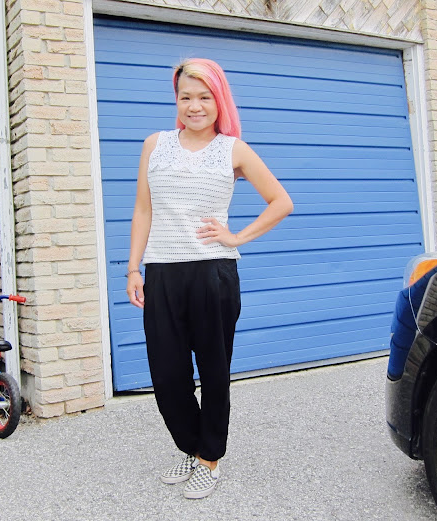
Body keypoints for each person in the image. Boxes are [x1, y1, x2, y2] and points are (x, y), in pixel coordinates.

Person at [126, 58, 293, 499]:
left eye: (204, 96)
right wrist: (133, 268)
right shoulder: (154, 145)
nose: (195, 106)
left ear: (219, 100)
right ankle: (191, 445)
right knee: (168, 374)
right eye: (186, 97)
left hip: (212, 273)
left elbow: (281, 201)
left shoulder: (233, 149)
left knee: (214, 372)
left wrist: (236, 236)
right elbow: (143, 209)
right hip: (162, 273)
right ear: (176, 100)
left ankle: (209, 459)